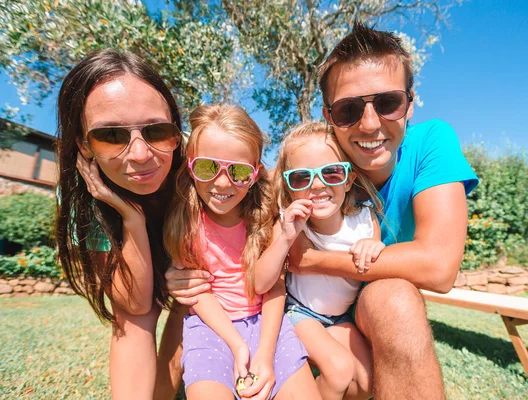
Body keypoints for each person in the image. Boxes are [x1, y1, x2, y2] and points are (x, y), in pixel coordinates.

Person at [165, 22, 479, 399]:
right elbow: (239, 188)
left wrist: (310, 260)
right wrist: (179, 270)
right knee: (355, 375)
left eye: (388, 102)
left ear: (410, 102)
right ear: (330, 116)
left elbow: (439, 267)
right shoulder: (316, 161)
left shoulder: (430, 143)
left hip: (362, 302)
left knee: (392, 300)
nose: (370, 123)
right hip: (305, 313)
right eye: (349, 109)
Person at [54, 49, 211, 399]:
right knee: (134, 320)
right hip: (141, 261)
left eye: (156, 131)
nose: (140, 154)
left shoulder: (199, 163)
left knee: (192, 299)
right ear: (84, 145)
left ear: (175, 128)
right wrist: (131, 216)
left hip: (202, 263)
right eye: (111, 136)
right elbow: (135, 306)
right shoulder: (83, 198)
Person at [163, 104, 321, 400]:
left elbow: (274, 287)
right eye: (208, 167)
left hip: (269, 324)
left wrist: (265, 351)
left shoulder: (265, 216)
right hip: (209, 327)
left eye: (238, 171)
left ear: (255, 174)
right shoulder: (184, 219)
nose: (223, 183)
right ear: (190, 164)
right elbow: (199, 292)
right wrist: (237, 345)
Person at [253, 121, 382, 400]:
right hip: (300, 313)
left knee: (366, 382)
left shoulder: (365, 220)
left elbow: (376, 256)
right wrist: (286, 237)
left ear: (348, 179)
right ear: (289, 188)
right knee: (338, 370)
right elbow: (262, 282)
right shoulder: (292, 224)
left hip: (342, 317)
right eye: (301, 177)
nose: (318, 185)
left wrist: (374, 244)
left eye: (332, 173)